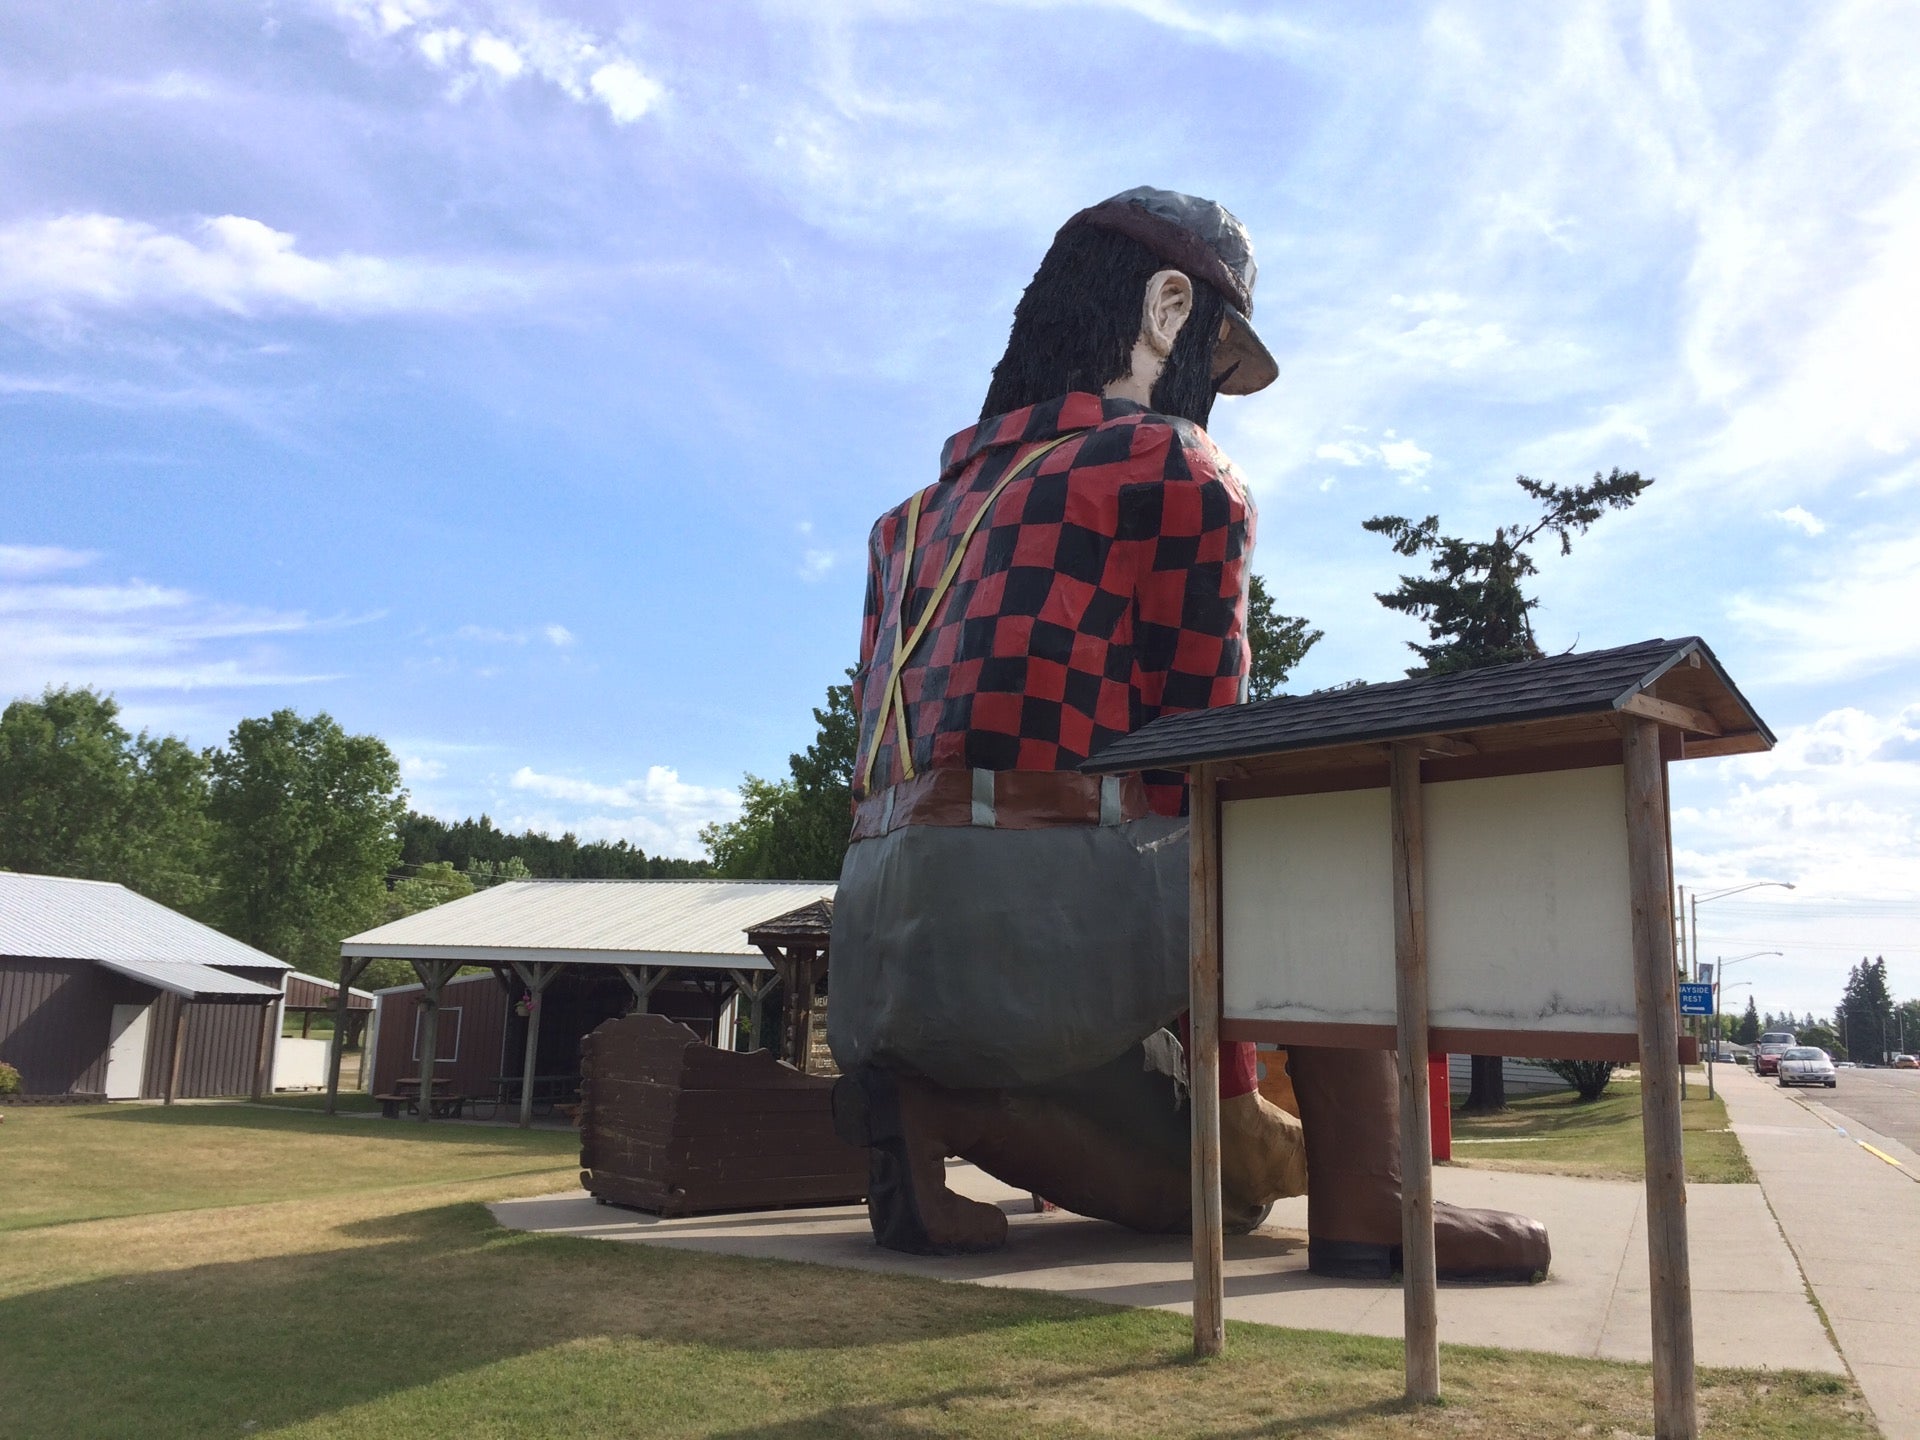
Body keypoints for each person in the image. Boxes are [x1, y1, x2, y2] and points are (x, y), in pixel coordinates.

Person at [829, 187, 1548, 1282]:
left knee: (1213, 1197)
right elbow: (1204, 767)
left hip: (881, 955)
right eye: (1215, 356)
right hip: (1040, 909)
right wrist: (1233, 1073)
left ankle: (934, 1104)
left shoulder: (905, 524)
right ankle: (1374, 1201)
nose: (1213, 396)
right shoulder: (1174, 465)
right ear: (1168, 310)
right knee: (1323, 848)